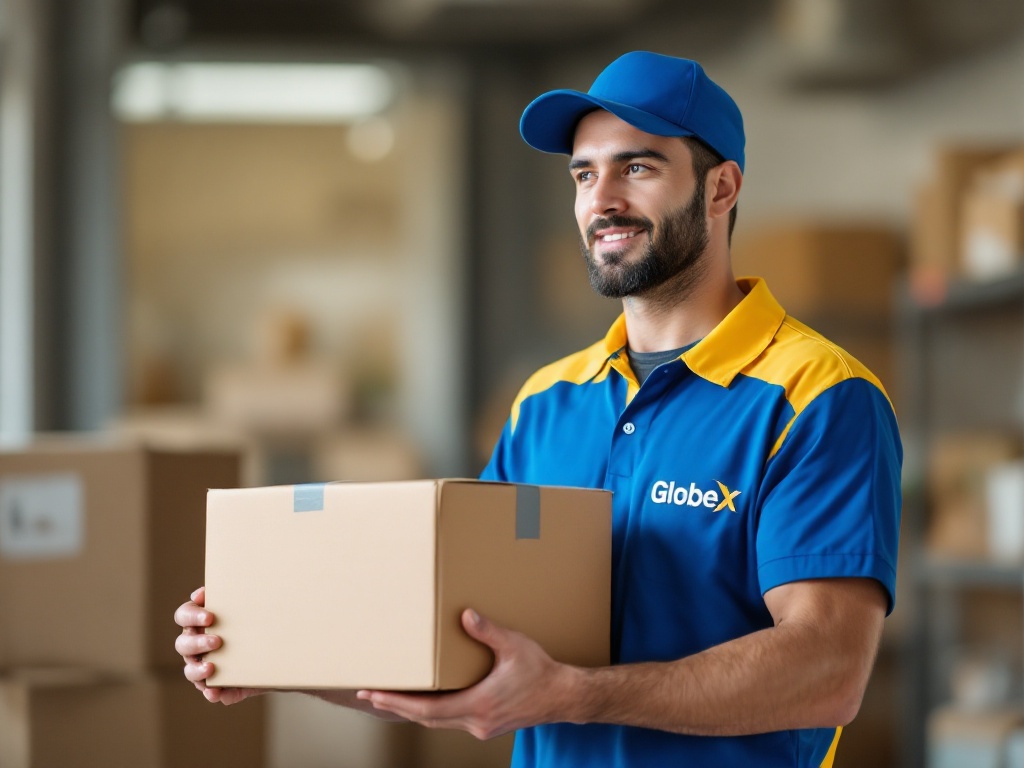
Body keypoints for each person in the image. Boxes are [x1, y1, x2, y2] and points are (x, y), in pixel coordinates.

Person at [176, 50, 902, 768]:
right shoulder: (548, 403)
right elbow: (451, 650)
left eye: (637, 167)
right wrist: (266, 646)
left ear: (721, 188)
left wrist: (576, 695)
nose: (602, 199)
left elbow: (828, 670)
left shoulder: (818, 398)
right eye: (584, 174)